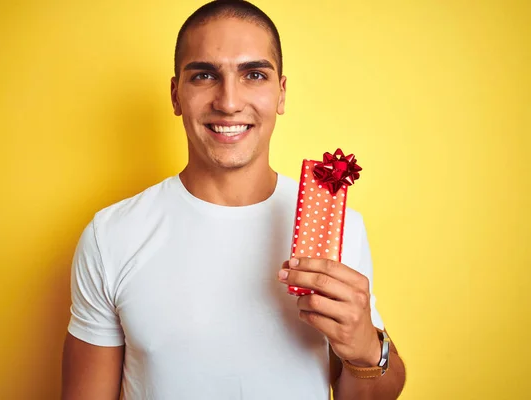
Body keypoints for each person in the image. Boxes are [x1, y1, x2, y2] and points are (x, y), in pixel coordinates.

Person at [61, 1, 406, 399]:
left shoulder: (337, 228)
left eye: (254, 74)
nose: (228, 101)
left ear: (281, 93)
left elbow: (367, 394)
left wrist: (364, 348)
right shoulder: (112, 235)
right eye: (204, 75)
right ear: (175, 95)